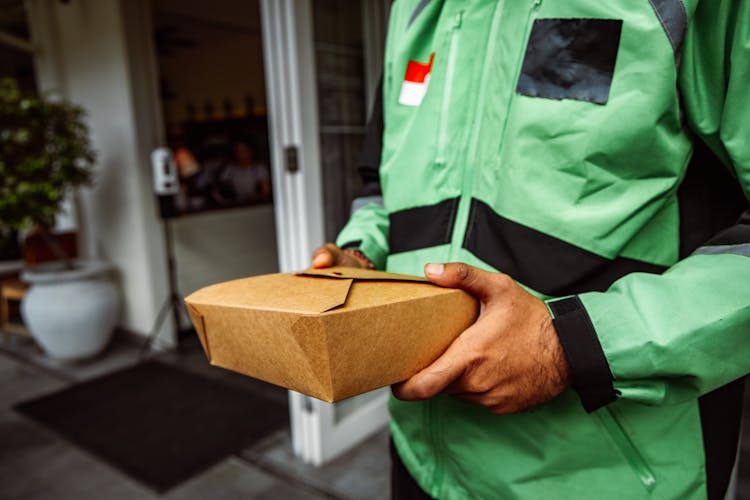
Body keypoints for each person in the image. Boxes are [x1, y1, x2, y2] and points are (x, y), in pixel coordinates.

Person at [312, 1, 750, 499]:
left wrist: (571, 345)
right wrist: (361, 251)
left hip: (609, 475)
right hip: (420, 455)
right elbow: (380, 185)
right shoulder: (410, 9)